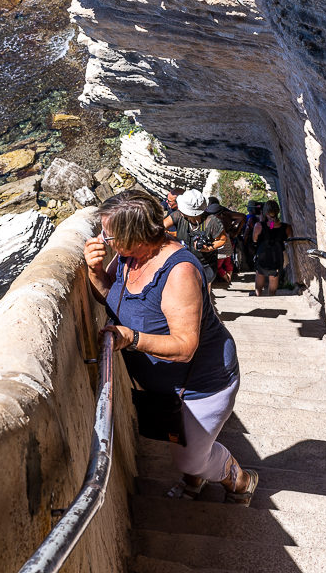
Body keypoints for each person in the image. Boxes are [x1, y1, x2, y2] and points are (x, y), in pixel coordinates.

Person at [83, 190, 258, 505]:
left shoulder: (179, 272)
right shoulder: (126, 258)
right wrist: (96, 272)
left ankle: (240, 480)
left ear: (135, 236)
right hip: (168, 387)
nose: (103, 239)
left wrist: (131, 339)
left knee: (191, 458)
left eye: (109, 234)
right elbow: (113, 300)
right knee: (184, 441)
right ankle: (196, 481)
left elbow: (184, 346)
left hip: (203, 384)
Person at [163, 190, 228, 285]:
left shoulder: (212, 222)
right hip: (185, 261)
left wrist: (209, 248)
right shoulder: (178, 216)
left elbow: (222, 239)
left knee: (203, 290)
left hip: (206, 263)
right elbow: (160, 227)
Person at [251, 200, 292, 296]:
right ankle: (271, 297)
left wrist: (262, 222)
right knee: (274, 275)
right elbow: (288, 240)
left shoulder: (259, 226)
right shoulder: (287, 227)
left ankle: (258, 295)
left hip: (263, 254)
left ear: (265, 212)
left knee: (260, 273)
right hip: (277, 255)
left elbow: (255, 240)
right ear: (277, 211)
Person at [206, 197, 246, 286]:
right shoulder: (269, 225)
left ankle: (226, 278)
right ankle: (228, 277)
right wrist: (235, 229)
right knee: (227, 260)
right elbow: (243, 216)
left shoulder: (213, 216)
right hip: (275, 247)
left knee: (219, 263)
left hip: (219, 241)